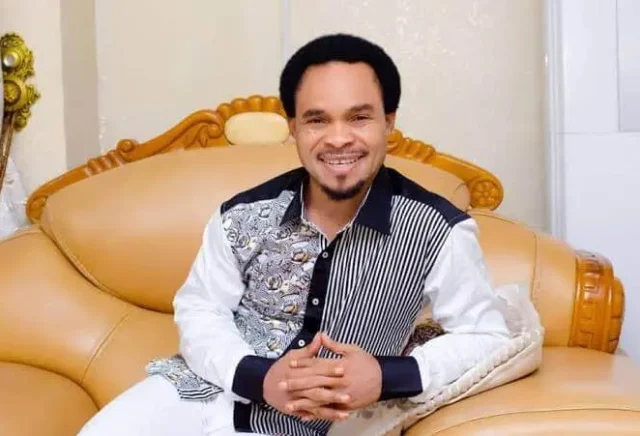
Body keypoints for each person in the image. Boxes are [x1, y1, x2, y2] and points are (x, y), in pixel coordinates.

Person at [78, 33, 510, 436]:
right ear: (294, 129)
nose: (338, 139)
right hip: (202, 392)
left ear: (388, 124)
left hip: (322, 423)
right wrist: (257, 376)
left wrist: (387, 376)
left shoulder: (440, 230)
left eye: (359, 118)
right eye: (317, 120)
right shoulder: (242, 215)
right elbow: (200, 309)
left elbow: (486, 336)